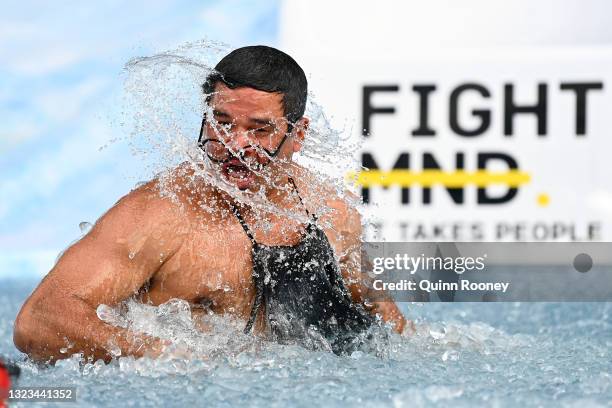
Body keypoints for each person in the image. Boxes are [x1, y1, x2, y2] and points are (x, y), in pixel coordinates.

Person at [13, 45, 409, 363]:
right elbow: (38, 321)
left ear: (298, 133)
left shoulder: (330, 210)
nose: (235, 145)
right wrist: (166, 356)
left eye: (260, 129)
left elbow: (382, 318)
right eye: (222, 123)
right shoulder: (159, 213)